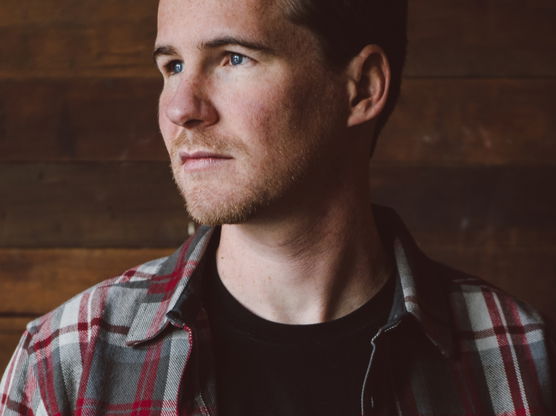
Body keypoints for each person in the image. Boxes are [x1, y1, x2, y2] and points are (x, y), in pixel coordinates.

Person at [0, 0, 553, 414]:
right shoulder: (67, 363)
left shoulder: (523, 358)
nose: (180, 107)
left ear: (361, 87)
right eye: (171, 66)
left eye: (233, 58)